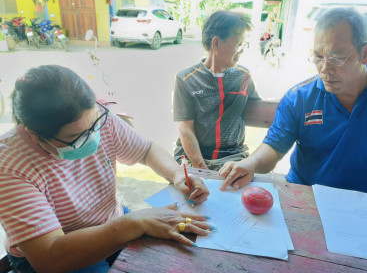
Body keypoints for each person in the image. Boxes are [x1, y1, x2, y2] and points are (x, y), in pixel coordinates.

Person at [0, 65, 211, 273]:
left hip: (113, 221)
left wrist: (176, 174)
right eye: (74, 138)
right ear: (36, 135)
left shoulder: (95, 117)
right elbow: (50, 257)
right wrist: (135, 223)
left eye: (94, 126)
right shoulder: (9, 165)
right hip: (65, 250)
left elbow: (146, 150)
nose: (92, 138)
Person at [219, 7, 367, 194]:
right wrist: (250, 163)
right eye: (319, 57)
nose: (325, 69)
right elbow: (274, 147)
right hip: (305, 194)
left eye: (337, 59)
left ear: (365, 53)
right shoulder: (300, 98)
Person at [173, 10, 261, 171]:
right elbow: (185, 129)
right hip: (193, 158)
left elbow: (262, 109)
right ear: (216, 43)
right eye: (238, 44)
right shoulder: (186, 79)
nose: (242, 50)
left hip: (233, 158)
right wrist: (203, 170)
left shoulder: (243, 77)